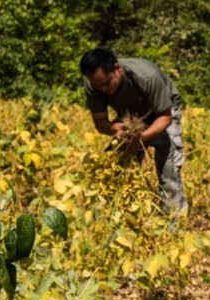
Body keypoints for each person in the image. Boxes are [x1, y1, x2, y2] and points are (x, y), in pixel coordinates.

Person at [80, 47, 189, 214]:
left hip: (162, 110)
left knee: (169, 168)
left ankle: (174, 223)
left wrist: (141, 139)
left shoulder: (146, 76)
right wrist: (117, 128)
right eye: (97, 85)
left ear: (117, 69)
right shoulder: (93, 84)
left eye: (106, 82)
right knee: (117, 167)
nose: (102, 88)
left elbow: (165, 117)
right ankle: (121, 218)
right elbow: (101, 123)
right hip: (129, 116)